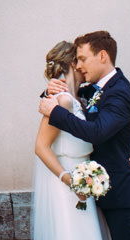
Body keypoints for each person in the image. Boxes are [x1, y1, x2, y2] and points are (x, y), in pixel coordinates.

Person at [38, 31, 130, 240]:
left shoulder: (119, 91)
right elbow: (71, 96)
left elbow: (98, 132)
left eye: (82, 59)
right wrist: (48, 93)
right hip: (98, 196)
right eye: (76, 60)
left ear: (102, 56)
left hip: (123, 198)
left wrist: (54, 112)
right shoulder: (93, 90)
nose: (79, 65)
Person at [32, 40, 110, 240]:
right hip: (67, 187)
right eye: (82, 60)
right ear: (74, 64)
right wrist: (72, 183)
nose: (85, 66)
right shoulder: (63, 100)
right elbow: (41, 147)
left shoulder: (80, 99)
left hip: (83, 185)